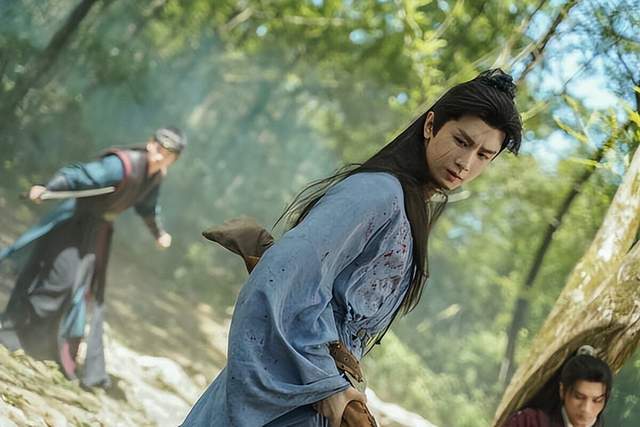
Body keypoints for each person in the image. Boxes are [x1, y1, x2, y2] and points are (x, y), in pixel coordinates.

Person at [182, 69, 522, 427]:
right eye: (462, 141)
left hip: (315, 398)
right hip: (294, 387)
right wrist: (324, 383)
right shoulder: (378, 193)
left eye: (484, 155)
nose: (466, 163)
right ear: (430, 125)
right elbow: (280, 276)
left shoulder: (409, 209)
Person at [0, 126, 186, 388]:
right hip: (73, 224)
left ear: (173, 160)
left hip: (96, 232)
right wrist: (49, 187)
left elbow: (147, 207)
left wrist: (158, 233)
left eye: (167, 154)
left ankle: (39, 343)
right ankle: (13, 333)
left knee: (79, 290)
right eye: (158, 148)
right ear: (149, 143)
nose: (159, 156)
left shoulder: (154, 177)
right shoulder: (121, 165)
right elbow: (79, 174)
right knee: (59, 282)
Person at [503, 346, 613, 427]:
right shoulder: (528, 422)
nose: (586, 409)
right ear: (562, 390)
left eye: (597, 400)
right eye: (579, 397)